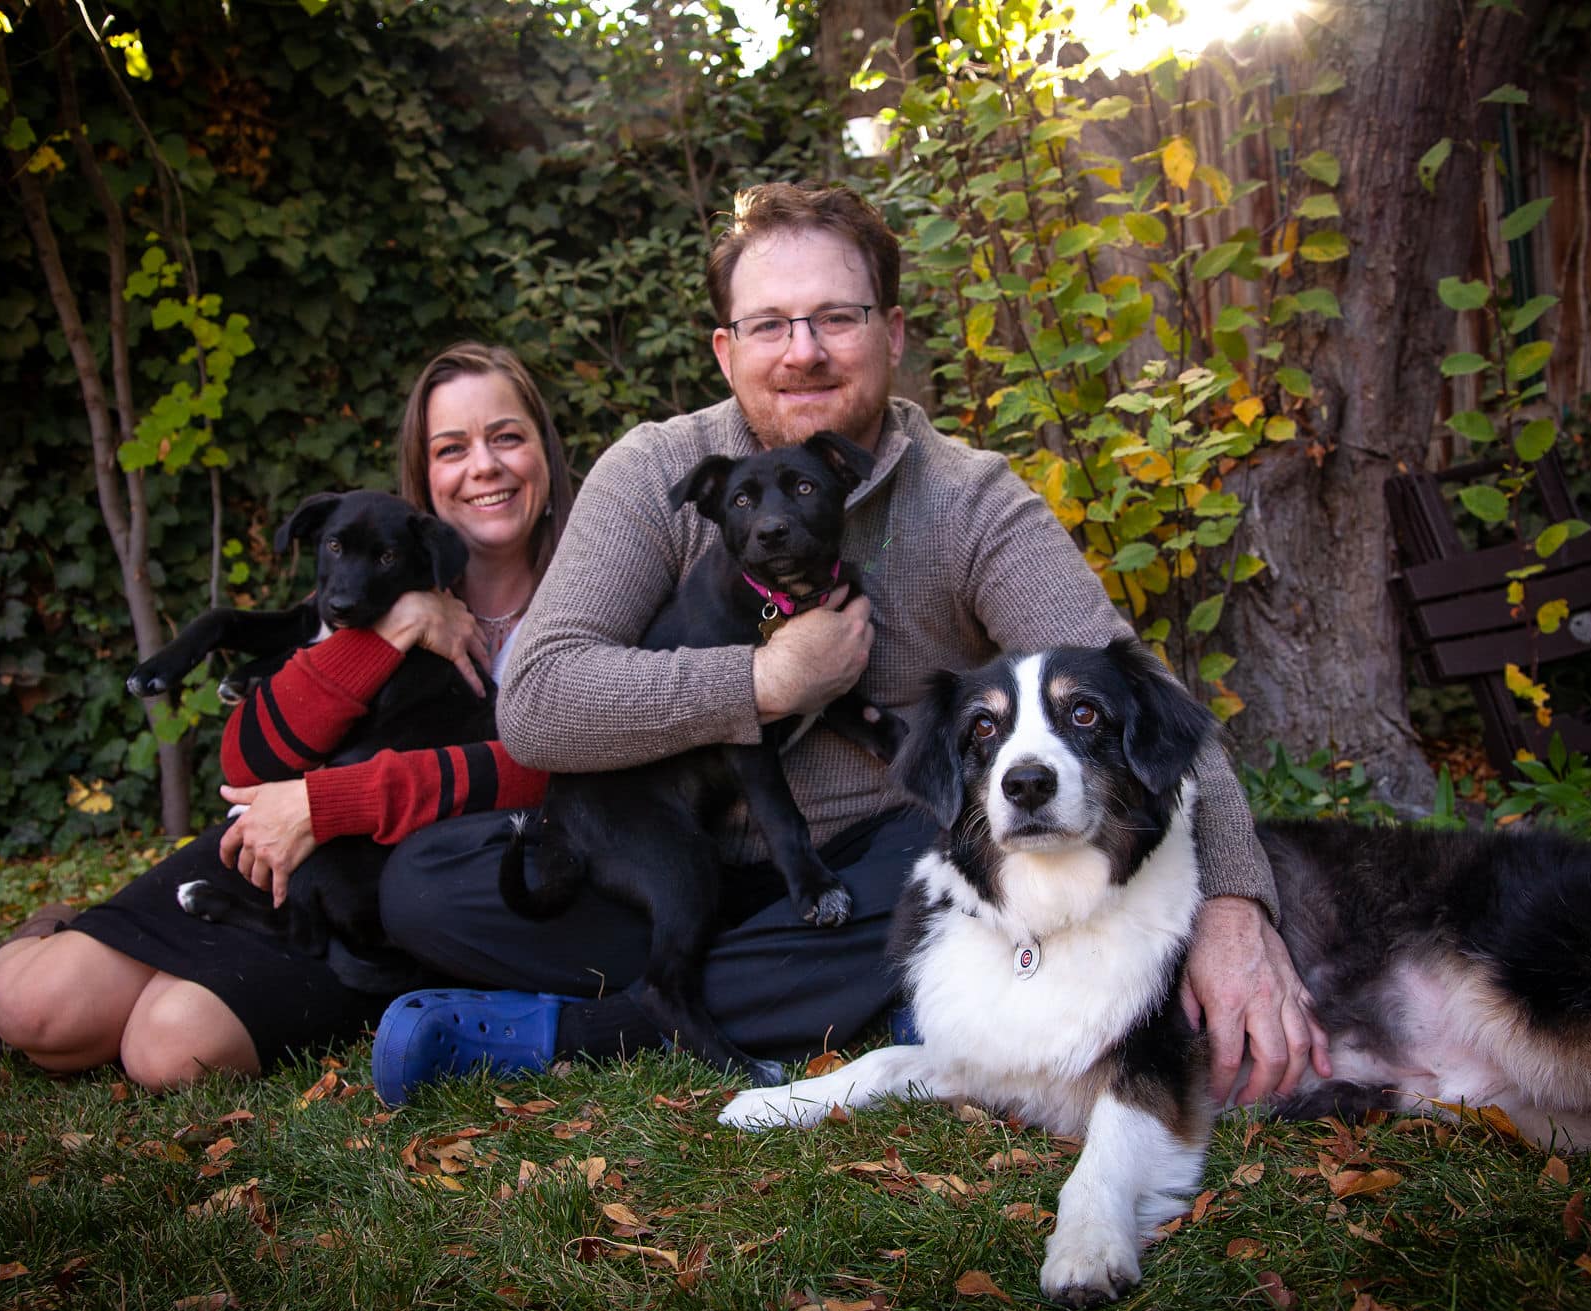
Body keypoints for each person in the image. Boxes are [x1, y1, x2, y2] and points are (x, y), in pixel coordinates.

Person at [367, 184, 1332, 1109]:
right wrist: (761, 680)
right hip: (668, 859)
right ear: (724, 348)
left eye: (837, 317)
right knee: (422, 884)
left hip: (864, 878)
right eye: (770, 325)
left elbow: (1137, 692)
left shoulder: (970, 503)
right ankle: (818, 993)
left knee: (950, 858)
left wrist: (1234, 904)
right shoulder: (659, 470)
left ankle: (578, 1031)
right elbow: (536, 702)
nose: (804, 352)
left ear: (894, 333)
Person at [0, 343, 574, 1091]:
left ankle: (157, 983)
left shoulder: (593, 581)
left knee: (168, 1050)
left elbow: (550, 765)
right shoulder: (376, 578)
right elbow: (247, 761)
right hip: (278, 846)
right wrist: (391, 631)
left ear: (544, 447)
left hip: (393, 908)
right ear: (423, 472)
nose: (483, 465)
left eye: (506, 436)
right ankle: (39, 943)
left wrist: (330, 802)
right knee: (36, 1007)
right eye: (451, 447)